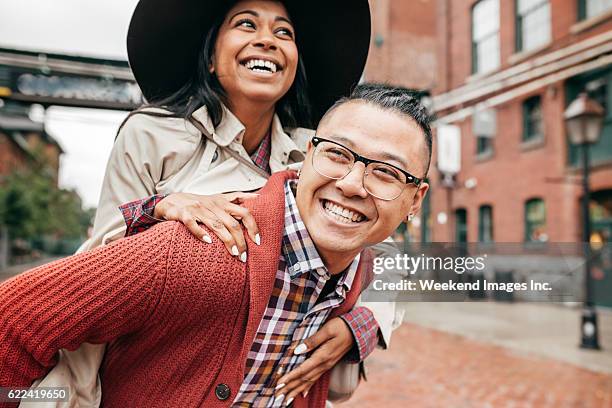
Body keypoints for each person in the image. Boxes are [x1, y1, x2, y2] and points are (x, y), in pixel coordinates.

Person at [28, 1, 398, 406]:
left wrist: (362, 324)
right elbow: (95, 277)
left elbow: (386, 250)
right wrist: (157, 209)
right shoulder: (152, 135)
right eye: (246, 24)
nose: (266, 41)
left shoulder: (315, 152)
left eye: (283, 32)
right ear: (209, 58)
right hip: (161, 380)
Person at [0, 84, 432, 408]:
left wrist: (361, 326)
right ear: (309, 154)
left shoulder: (361, 264)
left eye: (388, 173)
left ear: (416, 200)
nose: (353, 184)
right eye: (339, 154)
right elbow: (13, 320)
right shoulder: (195, 247)